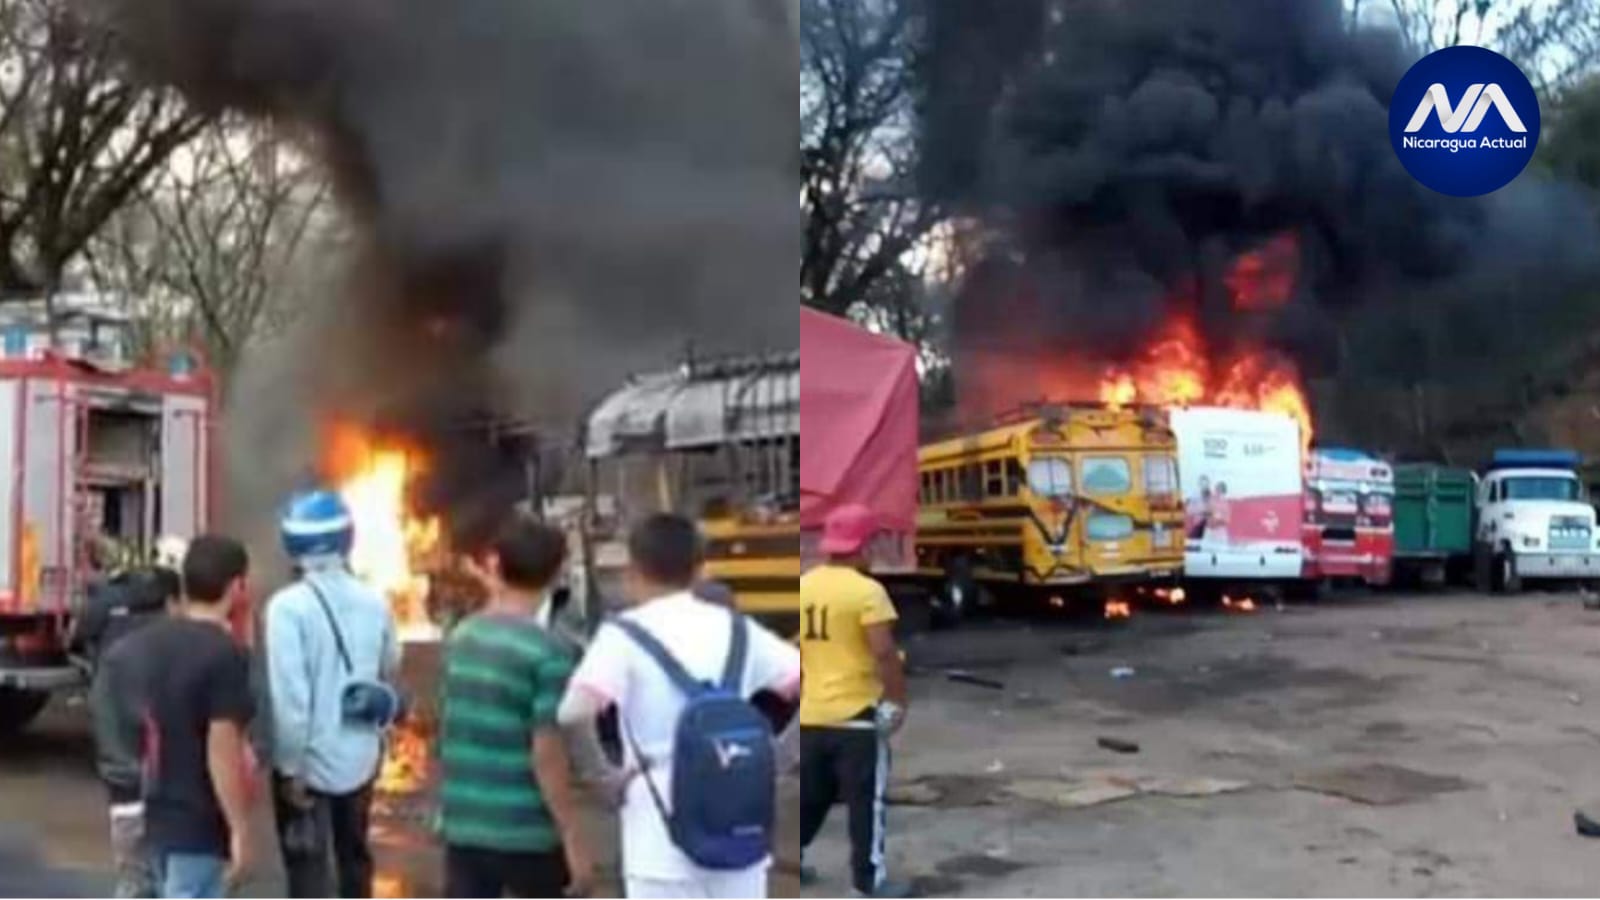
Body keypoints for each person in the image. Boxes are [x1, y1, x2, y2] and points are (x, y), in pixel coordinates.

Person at [558, 514, 800, 899]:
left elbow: (573, 712)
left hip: (657, 841)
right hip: (740, 833)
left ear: (632, 568)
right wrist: (778, 759)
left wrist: (603, 779)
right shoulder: (739, 630)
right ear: (701, 568)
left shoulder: (623, 636)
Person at [437, 516, 595, 898]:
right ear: (558, 573)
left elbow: (449, 731)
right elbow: (547, 752)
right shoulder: (550, 653)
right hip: (526, 834)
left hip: (463, 827)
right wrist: (571, 834)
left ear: (495, 564)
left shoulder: (461, 638)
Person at [265, 489, 401, 899]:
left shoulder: (287, 607)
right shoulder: (375, 600)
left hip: (310, 762)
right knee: (355, 858)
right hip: (361, 756)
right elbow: (389, 663)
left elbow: (292, 701)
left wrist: (290, 768)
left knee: (307, 865)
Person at [797, 503, 913, 898]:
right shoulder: (867, 592)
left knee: (814, 794)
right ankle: (868, 883)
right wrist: (897, 701)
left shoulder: (805, 585)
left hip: (813, 715)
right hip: (856, 717)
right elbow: (883, 652)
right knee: (867, 802)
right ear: (863, 544)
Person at [140, 535, 255, 899]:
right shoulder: (224, 655)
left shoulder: (156, 641)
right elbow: (221, 750)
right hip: (199, 827)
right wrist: (239, 829)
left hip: (158, 818)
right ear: (237, 587)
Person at [89, 564, 182, 899]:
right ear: (173, 601)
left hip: (126, 792)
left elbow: (103, 717)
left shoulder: (116, 655)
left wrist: (119, 776)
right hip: (180, 797)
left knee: (134, 883)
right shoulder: (187, 648)